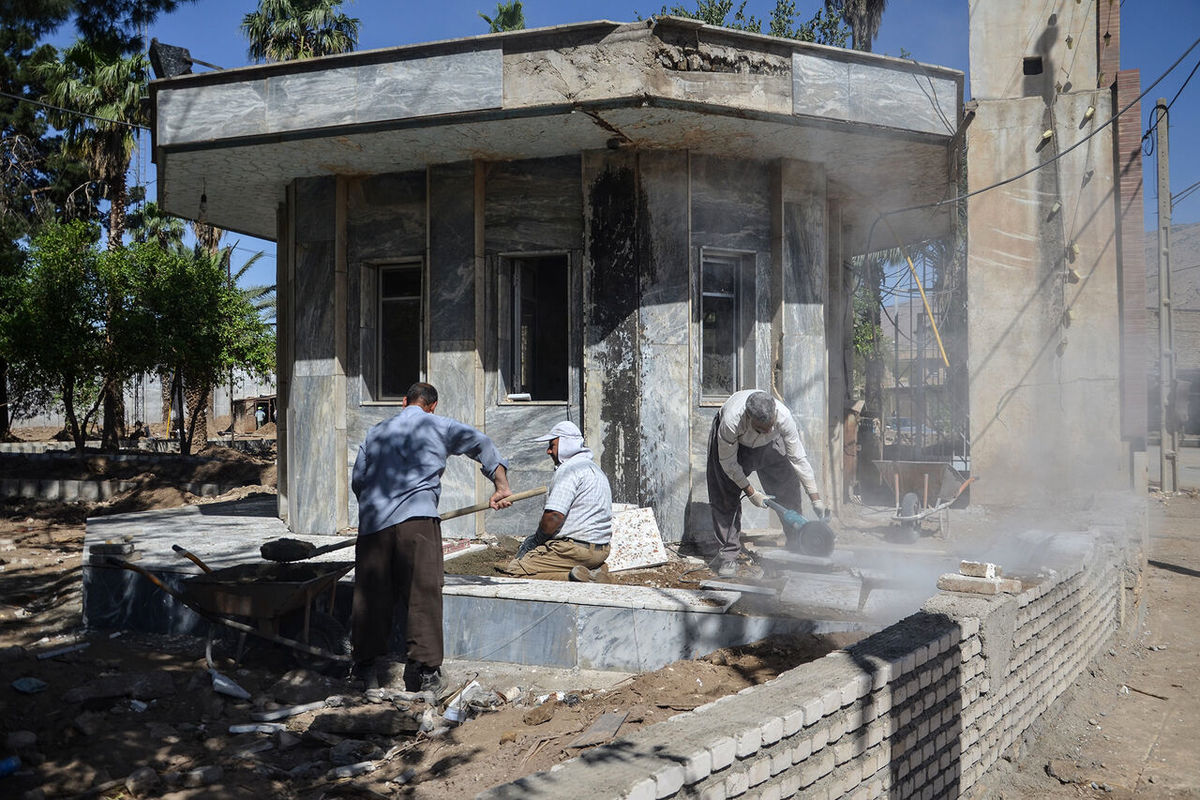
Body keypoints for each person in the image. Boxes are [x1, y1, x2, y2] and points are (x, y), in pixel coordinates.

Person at [350, 381, 513, 693]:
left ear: (403, 402)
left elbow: (359, 480)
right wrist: (501, 485)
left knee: (371, 595)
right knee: (422, 595)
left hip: (373, 527)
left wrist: (376, 510)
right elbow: (482, 445)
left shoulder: (377, 432)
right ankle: (425, 675)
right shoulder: (440, 425)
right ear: (432, 406)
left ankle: (364, 671)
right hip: (418, 522)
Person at [706, 389, 829, 577]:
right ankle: (728, 555)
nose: (768, 431)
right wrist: (751, 491)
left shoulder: (783, 417)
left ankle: (798, 544)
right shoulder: (731, 421)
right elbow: (729, 464)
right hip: (736, 445)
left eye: (771, 426)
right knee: (725, 494)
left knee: (787, 489)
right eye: (762, 429)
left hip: (771, 446)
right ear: (749, 418)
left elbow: (798, 459)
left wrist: (815, 498)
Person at [498, 420, 613, 583]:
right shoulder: (596, 470)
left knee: (516, 570)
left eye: (552, 445)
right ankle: (595, 569)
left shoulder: (569, 470)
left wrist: (536, 540)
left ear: (567, 444)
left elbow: (553, 516)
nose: (548, 451)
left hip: (573, 550)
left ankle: (575, 577)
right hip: (601, 550)